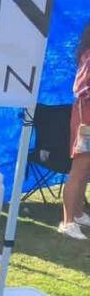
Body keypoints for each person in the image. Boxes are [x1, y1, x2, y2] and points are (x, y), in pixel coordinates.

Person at [59, 23, 90, 239]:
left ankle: (77, 213)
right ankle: (67, 222)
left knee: (85, 171)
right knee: (78, 171)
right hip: (86, 121)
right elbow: (81, 88)